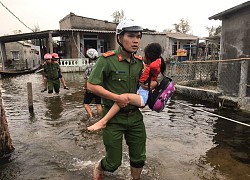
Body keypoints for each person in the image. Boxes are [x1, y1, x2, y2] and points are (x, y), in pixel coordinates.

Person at [86, 19, 158, 180]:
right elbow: (91, 86)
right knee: (113, 163)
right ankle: (100, 167)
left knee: (139, 158)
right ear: (120, 38)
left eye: (138, 37)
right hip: (113, 119)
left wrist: (155, 87)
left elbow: (147, 85)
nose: (136, 40)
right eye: (131, 36)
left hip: (135, 118)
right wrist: (116, 98)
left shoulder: (140, 63)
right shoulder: (106, 60)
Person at [87, 43, 166, 131]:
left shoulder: (149, 65)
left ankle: (103, 122)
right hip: (142, 95)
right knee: (121, 99)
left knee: (122, 98)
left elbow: (155, 74)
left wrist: (154, 82)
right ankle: (103, 121)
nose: (136, 41)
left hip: (143, 98)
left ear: (148, 55)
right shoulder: (149, 65)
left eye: (144, 54)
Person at [83, 48, 102, 119]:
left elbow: (86, 79)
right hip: (99, 88)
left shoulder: (88, 66)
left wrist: (85, 88)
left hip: (90, 88)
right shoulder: (100, 65)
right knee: (98, 104)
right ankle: (100, 117)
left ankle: (91, 116)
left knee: (86, 103)